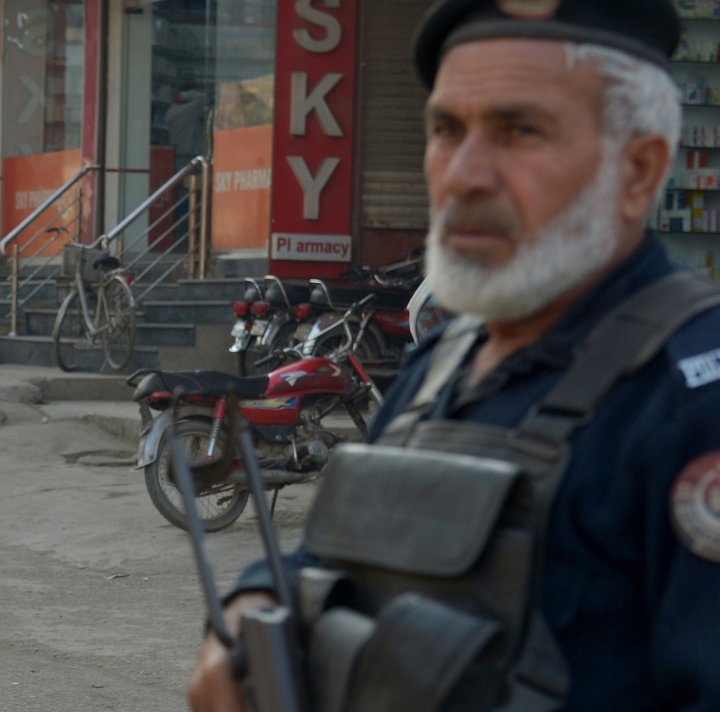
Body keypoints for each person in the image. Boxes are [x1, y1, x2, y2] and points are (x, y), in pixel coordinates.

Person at [188, 2, 720, 710]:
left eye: (519, 131)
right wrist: (249, 603)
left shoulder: (691, 401)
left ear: (638, 169)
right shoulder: (441, 358)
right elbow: (347, 558)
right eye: (447, 129)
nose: (465, 175)